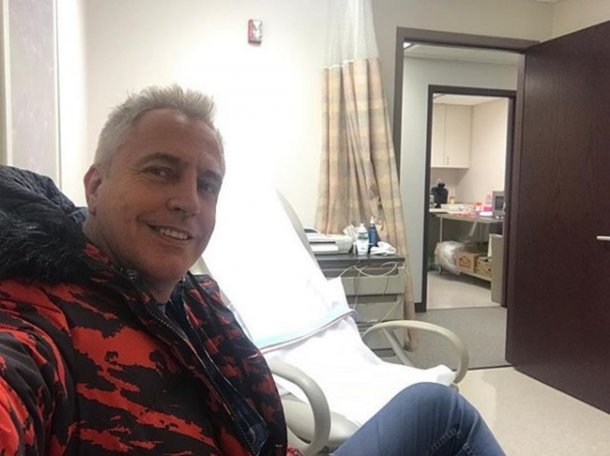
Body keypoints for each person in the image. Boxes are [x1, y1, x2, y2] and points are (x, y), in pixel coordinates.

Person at [0, 85, 504, 455]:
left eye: (208, 185)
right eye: (160, 171)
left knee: (437, 408)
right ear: (95, 186)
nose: (188, 201)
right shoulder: (44, 315)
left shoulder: (192, 300)